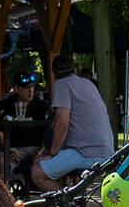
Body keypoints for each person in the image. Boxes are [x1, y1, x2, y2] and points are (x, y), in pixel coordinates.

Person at [30, 55, 114, 193]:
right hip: (106, 149)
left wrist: (51, 154)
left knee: (37, 172)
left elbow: (62, 125)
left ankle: (68, 201)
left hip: (86, 152)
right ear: (75, 70)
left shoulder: (61, 85)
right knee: (55, 158)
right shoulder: (88, 83)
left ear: (53, 74)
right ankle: (69, 197)